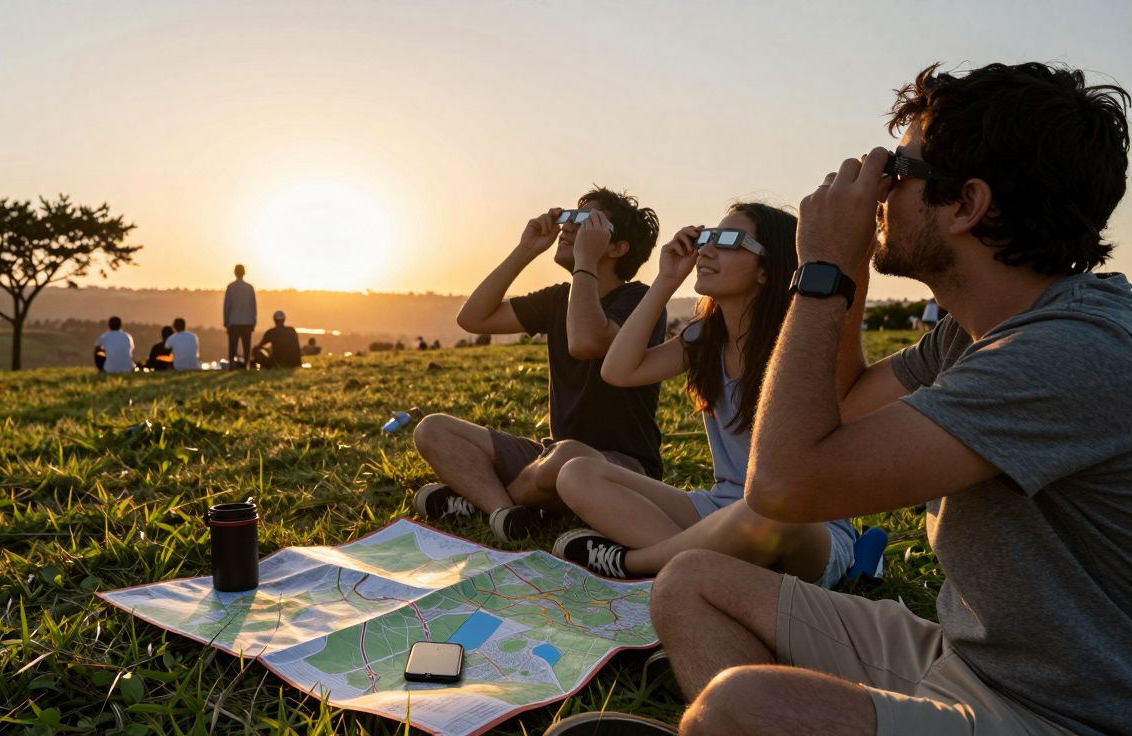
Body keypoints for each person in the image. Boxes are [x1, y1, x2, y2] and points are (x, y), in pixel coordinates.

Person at [641, 62, 1131, 736]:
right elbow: (837, 405)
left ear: (967, 204)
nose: (877, 191)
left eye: (898, 173)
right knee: (690, 580)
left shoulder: (1071, 351)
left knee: (739, 707)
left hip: (1059, 714)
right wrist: (848, 272)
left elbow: (784, 487)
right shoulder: (973, 331)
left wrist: (820, 270)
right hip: (967, 658)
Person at [550, 204, 858, 587]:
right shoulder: (704, 339)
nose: (707, 250)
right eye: (708, 237)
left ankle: (635, 563)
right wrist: (665, 281)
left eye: (729, 240)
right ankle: (708, 568)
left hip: (800, 523)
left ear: (767, 269)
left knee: (767, 512)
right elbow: (618, 370)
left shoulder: (797, 345)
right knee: (576, 471)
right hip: (717, 509)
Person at [412, 187, 665, 541]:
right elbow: (473, 319)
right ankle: (506, 512)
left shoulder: (640, 300)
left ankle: (480, 499)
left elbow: (586, 342)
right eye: (571, 218)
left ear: (617, 247)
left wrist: (584, 263)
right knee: (433, 429)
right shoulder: (558, 299)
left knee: (568, 458)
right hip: (550, 455)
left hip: (623, 469)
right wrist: (525, 251)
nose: (568, 228)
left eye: (585, 222)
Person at [223, 264, 257, 369]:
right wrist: (254, 321)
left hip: (234, 321)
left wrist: (226, 321)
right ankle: (247, 364)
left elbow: (227, 305)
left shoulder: (231, 287)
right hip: (247, 321)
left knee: (233, 346)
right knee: (246, 346)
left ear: (235, 273)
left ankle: (232, 365)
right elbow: (253, 305)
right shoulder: (249, 287)